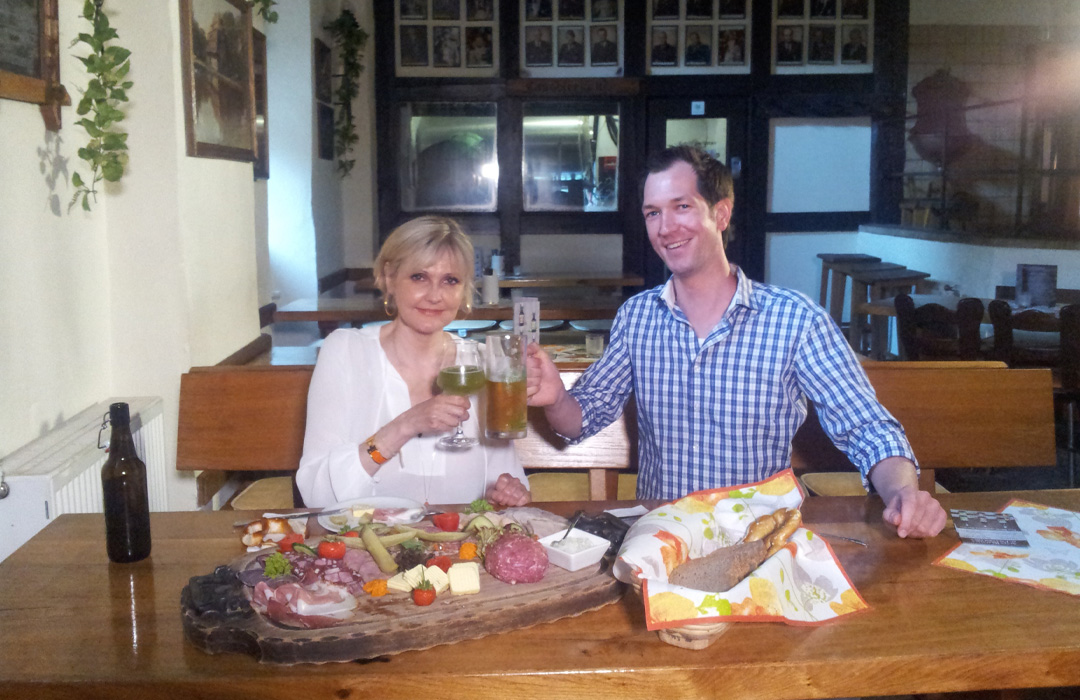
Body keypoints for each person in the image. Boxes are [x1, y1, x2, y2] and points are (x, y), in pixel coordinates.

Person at [526, 146, 947, 539]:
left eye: (682, 207)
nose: (666, 227)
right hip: (662, 538)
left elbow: (867, 427)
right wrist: (556, 397)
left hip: (758, 540)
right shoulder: (637, 317)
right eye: (653, 213)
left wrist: (902, 492)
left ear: (721, 214)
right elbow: (582, 419)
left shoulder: (795, 320)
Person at [298, 216, 531, 509]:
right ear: (389, 278)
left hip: (460, 538)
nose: (434, 296)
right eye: (419, 277)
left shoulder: (482, 362)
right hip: (368, 537)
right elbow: (316, 494)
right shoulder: (346, 351)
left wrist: (510, 493)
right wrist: (405, 425)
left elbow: (505, 482)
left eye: (450, 280)